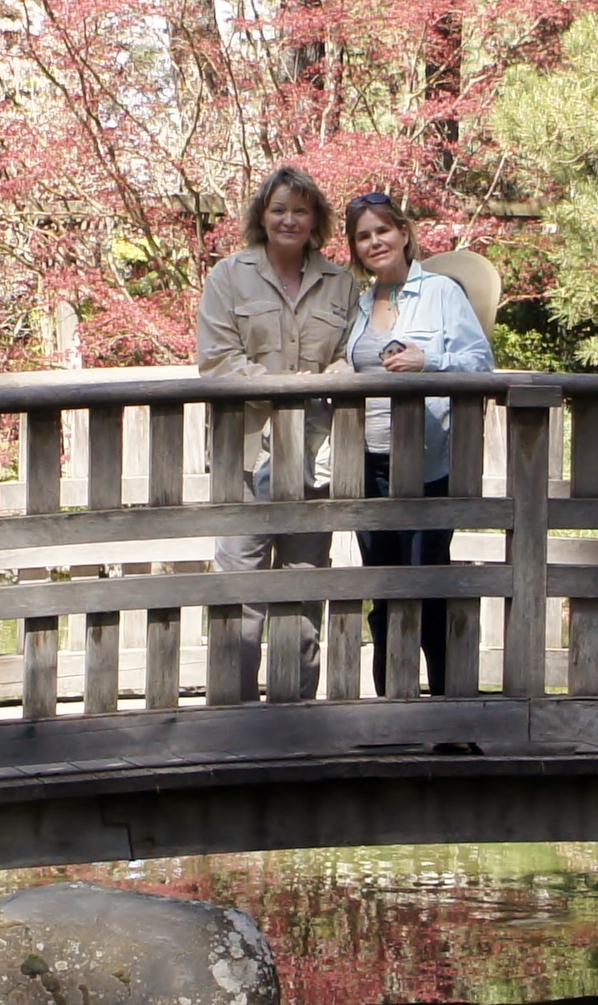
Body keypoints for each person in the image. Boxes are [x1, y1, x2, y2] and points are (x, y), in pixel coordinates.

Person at [198, 165, 358, 701]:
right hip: (244, 457)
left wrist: (335, 376)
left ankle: (293, 715)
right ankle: (232, 715)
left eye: (301, 209)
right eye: (279, 209)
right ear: (261, 217)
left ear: (316, 219)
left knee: (303, 589)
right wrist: (291, 385)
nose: (289, 219)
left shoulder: (341, 282)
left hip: (315, 458)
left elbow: (349, 358)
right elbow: (219, 361)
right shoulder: (228, 276)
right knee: (239, 592)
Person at [341, 190, 494, 696]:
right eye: (363, 236)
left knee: (429, 586)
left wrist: (429, 364)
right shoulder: (361, 303)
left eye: (382, 230)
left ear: (404, 233)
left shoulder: (442, 293)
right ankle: (392, 707)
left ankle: (450, 710)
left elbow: (480, 365)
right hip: (371, 464)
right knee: (381, 590)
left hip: (429, 465)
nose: (374, 242)